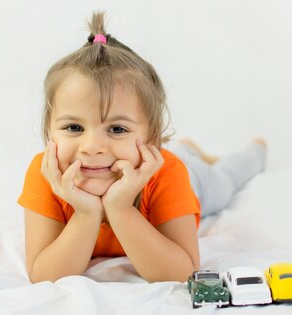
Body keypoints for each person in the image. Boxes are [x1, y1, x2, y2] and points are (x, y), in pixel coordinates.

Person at [18, 12, 267, 283]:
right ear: (49, 132)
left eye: (117, 129)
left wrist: (122, 209)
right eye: (74, 128)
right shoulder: (45, 173)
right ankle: (189, 147)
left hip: (192, 178)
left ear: (153, 138)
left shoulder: (169, 173)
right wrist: (86, 213)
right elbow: (44, 276)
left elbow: (181, 273)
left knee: (225, 181)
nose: (91, 147)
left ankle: (255, 151)